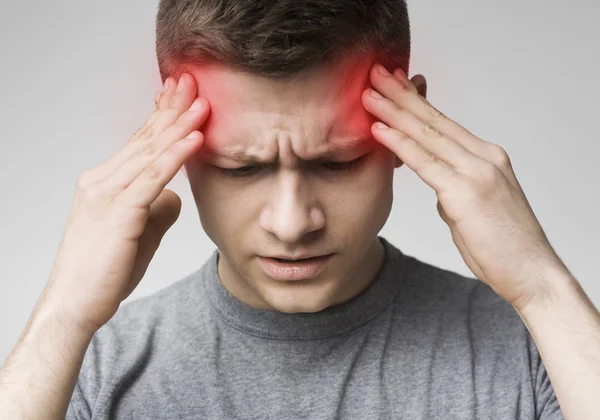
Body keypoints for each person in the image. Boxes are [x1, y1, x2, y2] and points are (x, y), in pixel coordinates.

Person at [0, 0, 598, 418]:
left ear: (409, 127)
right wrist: (62, 317)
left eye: (337, 162)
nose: (292, 223)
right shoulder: (88, 368)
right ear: (168, 136)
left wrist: (544, 289)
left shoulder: (535, 347)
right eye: (243, 168)